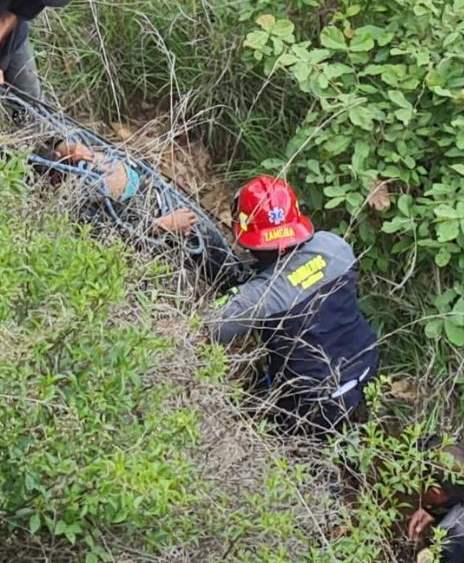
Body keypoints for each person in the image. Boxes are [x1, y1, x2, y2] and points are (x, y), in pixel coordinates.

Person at [206, 175, 379, 436]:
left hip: (313, 404)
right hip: (367, 363)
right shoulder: (335, 247)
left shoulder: (259, 296)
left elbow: (212, 325)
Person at [31, 138, 198, 235]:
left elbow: (51, 138)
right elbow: (114, 234)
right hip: (163, 219)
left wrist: (63, 146)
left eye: (60, 158)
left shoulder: (74, 153)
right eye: (58, 172)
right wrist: (164, 225)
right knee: (208, 242)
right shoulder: (75, 207)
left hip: (157, 187)